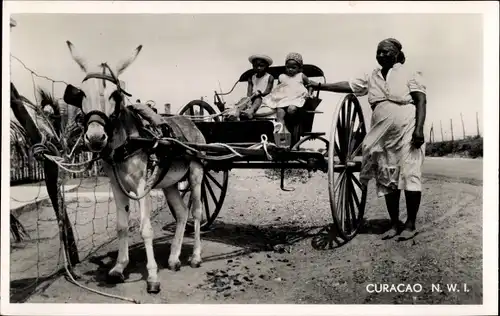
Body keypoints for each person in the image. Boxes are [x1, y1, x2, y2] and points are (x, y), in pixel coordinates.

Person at [308, 38, 427, 241]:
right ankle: (394, 223)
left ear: (397, 54)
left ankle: (410, 224)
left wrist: (419, 130)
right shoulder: (372, 75)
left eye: (386, 52)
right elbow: (349, 86)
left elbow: (421, 100)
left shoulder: (409, 73)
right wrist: (319, 85)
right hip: (382, 135)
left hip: (407, 131)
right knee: (386, 178)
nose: (381, 55)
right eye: (378, 52)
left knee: (409, 175)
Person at [260, 52, 312, 135]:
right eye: (288, 67)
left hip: (296, 98)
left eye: (293, 67)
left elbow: (310, 85)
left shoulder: (301, 75)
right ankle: (282, 129)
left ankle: (290, 126)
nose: (290, 69)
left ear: (299, 68)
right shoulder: (282, 76)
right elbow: (277, 89)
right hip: (283, 99)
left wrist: (309, 93)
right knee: (280, 112)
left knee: (291, 109)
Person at [228, 54, 274, 121]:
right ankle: (236, 113)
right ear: (253, 66)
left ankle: (251, 111)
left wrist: (261, 93)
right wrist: (248, 99)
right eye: (256, 66)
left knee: (258, 99)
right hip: (253, 97)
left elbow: (268, 90)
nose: (258, 68)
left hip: (264, 97)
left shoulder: (269, 77)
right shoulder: (251, 77)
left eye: (261, 66)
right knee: (244, 99)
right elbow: (249, 91)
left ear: (266, 66)